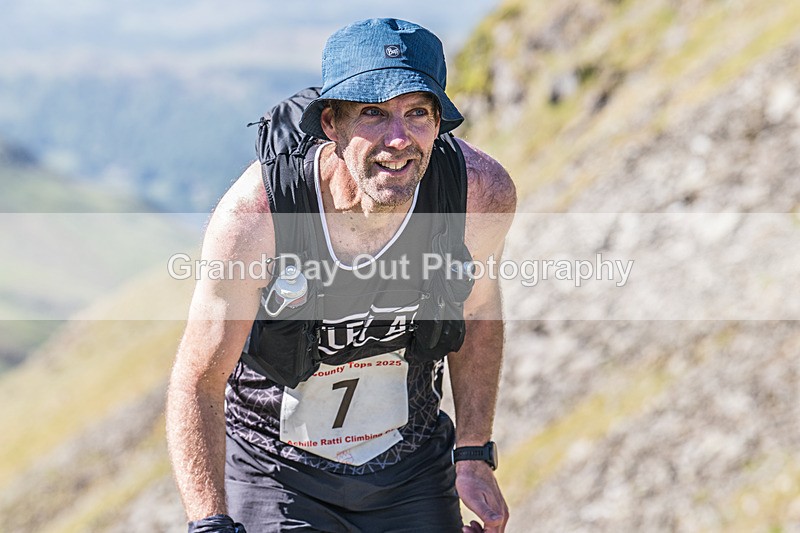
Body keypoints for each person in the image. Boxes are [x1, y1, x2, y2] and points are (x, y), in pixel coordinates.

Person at [166, 18, 516, 533]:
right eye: (373, 113)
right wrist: (210, 523)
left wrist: (474, 452)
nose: (398, 139)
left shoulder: (477, 197)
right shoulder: (260, 215)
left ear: (439, 122)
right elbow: (198, 380)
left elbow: (479, 318)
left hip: (411, 463)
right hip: (276, 471)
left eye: (417, 113)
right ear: (331, 123)